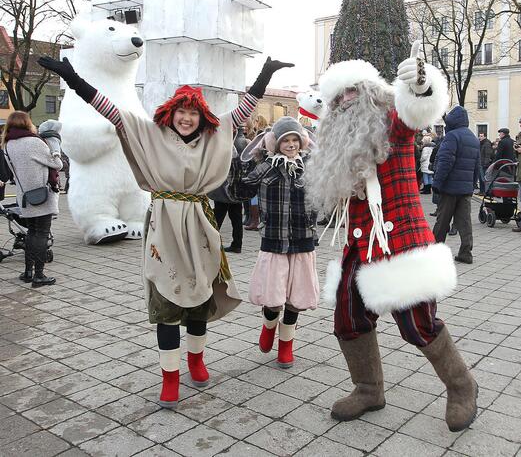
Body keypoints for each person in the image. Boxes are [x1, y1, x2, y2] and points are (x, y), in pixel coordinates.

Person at [38, 54, 291, 408]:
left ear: (202, 117)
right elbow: (108, 108)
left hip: (200, 227)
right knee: (166, 302)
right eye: (181, 111)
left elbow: (243, 110)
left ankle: (196, 359)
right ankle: (169, 378)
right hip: (164, 227)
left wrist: (265, 73)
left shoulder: (213, 136)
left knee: (200, 300)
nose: (187, 118)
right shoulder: (150, 134)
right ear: (170, 114)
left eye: (193, 113)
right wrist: (73, 78)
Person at [306, 45, 478, 432]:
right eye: (337, 100)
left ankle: (461, 385)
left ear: (371, 93)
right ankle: (369, 389)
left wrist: (421, 82)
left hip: (400, 240)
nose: (345, 104)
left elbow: (415, 110)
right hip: (360, 244)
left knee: (418, 324)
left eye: (351, 94)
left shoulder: (390, 123)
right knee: (347, 318)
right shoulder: (338, 142)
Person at [240, 117, 319, 368]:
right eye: (286, 140)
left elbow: (324, 195)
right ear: (276, 143)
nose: (292, 144)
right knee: (273, 299)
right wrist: (257, 162)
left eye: (295, 139)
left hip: (303, 240)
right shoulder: (267, 166)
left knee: (295, 300)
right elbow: (242, 188)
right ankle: (268, 324)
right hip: (274, 240)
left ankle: (286, 346)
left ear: (302, 141)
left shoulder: (311, 166)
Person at [1, 112, 63, 287]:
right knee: (41, 234)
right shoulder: (34, 142)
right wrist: (56, 150)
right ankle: (39, 275)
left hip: (24, 197)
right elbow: (57, 164)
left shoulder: (7, 145)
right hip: (42, 195)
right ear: (27, 123)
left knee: (31, 233)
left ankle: (28, 272)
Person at [432, 105, 480, 264]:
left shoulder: (452, 137)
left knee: (442, 222)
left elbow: (445, 162)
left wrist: (437, 183)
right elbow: (476, 166)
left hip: (450, 188)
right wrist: (471, 186)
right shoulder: (473, 138)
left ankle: (435, 251)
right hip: (465, 189)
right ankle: (466, 252)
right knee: (465, 223)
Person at [207, 128, 246, 253]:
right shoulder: (244, 142)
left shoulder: (226, 143)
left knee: (217, 217)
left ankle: (210, 244)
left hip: (223, 187)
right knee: (236, 218)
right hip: (237, 188)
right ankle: (237, 244)